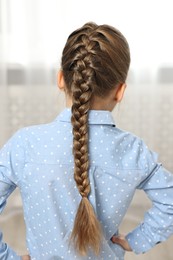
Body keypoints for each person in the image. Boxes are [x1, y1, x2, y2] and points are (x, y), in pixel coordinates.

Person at [0, 22, 173, 260]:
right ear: (120, 90)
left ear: (61, 79)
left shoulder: (25, 144)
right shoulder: (134, 151)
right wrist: (136, 241)